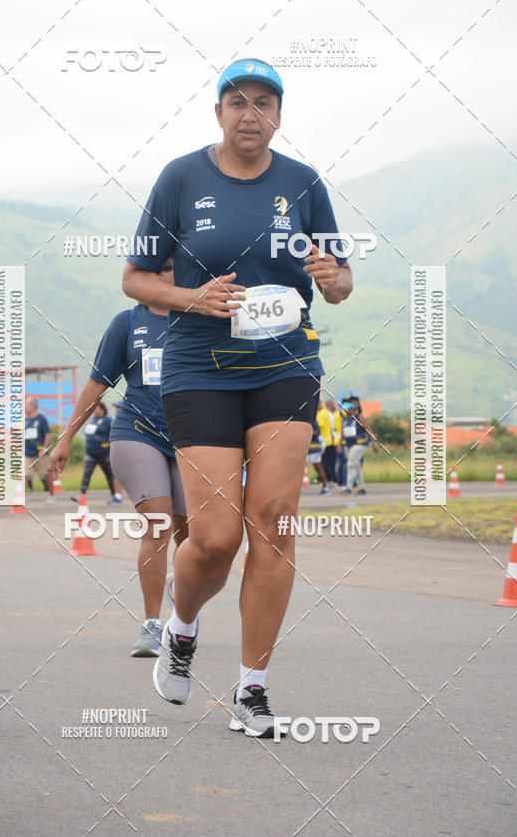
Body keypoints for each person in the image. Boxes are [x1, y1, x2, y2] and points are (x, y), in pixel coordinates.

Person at [122, 58, 352, 737]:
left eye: (263, 102)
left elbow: (340, 285)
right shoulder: (180, 177)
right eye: (237, 101)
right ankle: (182, 627)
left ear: (279, 114)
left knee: (275, 521)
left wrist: (331, 273)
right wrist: (190, 296)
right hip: (199, 364)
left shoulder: (304, 183)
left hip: (286, 362)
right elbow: (135, 279)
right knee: (215, 538)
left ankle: (253, 689)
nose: (250, 113)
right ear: (218, 112)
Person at [50, 260, 188, 658]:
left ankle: (183, 608)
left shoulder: (198, 319)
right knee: (158, 524)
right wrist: (66, 438)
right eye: (167, 268)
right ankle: (151, 625)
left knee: (196, 539)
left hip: (191, 438)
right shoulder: (127, 323)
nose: (175, 274)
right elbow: (96, 384)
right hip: (136, 433)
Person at [80, 401, 122, 504]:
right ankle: (82, 495)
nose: (94, 411)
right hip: (91, 453)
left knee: (110, 475)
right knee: (87, 473)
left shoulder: (108, 421)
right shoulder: (92, 420)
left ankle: (115, 495)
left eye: (96, 409)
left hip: (105, 454)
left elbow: (113, 435)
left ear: (102, 410)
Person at [341, 396, 378, 494]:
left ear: (352, 409)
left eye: (348, 409)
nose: (346, 411)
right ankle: (362, 488)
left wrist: (373, 443)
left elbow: (368, 430)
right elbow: (342, 433)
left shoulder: (359, 417)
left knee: (350, 463)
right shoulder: (344, 419)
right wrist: (339, 445)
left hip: (360, 444)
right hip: (348, 444)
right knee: (356, 465)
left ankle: (348, 487)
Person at [24, 398, 54, 502]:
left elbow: (48, 434)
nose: (24, 407)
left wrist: (44, 448)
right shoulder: (25, 420)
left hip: (40, 454)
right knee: (25, 475)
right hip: (27, 454)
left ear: (33, 406)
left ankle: (51, 496)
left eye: (26, 405)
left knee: (46, 475)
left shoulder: (41, 419)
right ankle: (20, 499)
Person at [316, 400, 336, 484]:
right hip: (330, 441)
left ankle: (329, 479)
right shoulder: (327, 413)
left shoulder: (321, 414)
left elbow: (319, 427)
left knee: (325, 462)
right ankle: (330, 478)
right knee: (329, 461)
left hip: (325, 441)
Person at [306, 425, 328, 493]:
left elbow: (318, 432)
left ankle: (325, 488)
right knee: (298, 469)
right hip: (305, 447)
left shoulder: (313, 420)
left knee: (318, 468)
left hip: (314, 447)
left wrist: (306, 432)